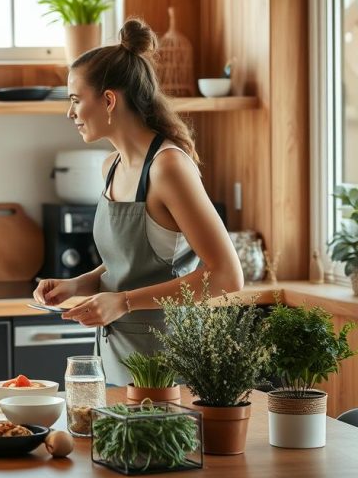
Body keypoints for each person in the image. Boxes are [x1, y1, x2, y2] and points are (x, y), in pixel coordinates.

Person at [33, 19, 244, 385]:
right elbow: (127, 264)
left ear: (109, 100)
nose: (70, 114)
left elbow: (227, 275)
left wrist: (124, 302)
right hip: (115, 356)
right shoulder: (111, 166)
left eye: (75, 100)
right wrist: (78, 283)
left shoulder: (168, 168)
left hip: (167, 362)